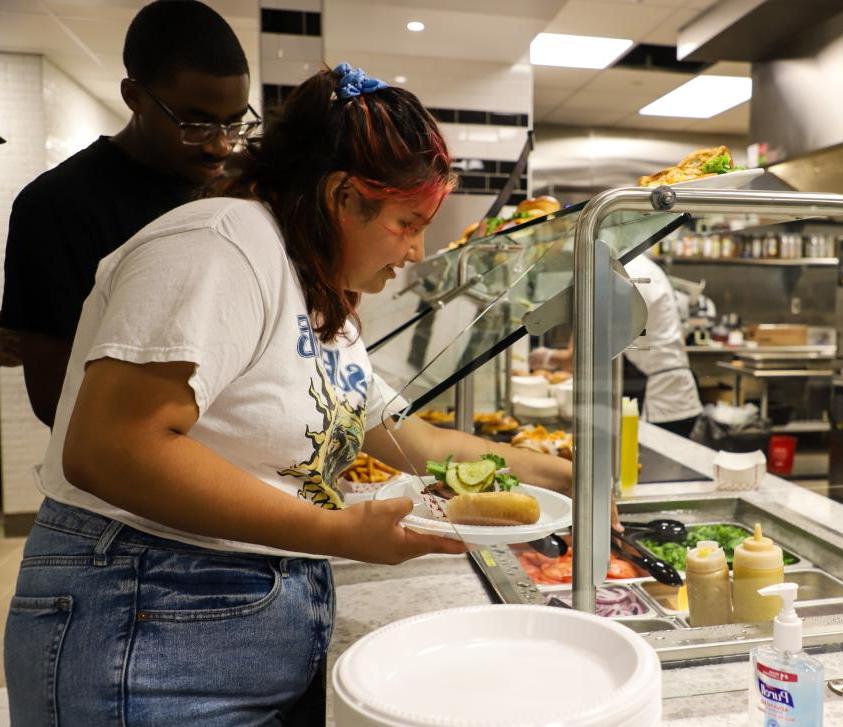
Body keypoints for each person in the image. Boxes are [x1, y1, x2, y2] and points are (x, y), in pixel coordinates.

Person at [4, 64, 573, 725]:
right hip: (147, 629)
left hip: (231, 626)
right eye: (407, 222)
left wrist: (560, 476)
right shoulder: (220, 242)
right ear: (342, 196)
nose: (418, 250)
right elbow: (110, 446)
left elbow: (405, 436)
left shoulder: (319, 294)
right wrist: (337, 531)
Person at [0, 0, 255, 427]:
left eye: (234, 124)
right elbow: (56, 398)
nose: (220, 145)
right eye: (196, 125)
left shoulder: (235, 192)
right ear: (134, 96)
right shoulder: (58, 205)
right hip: (120, 475)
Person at [530, 253, 703, 437]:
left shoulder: (623, 276)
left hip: (660, 405)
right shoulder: (641, 267)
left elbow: (582, 356)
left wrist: (546, 357)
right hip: (677, 394)